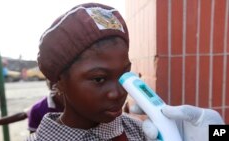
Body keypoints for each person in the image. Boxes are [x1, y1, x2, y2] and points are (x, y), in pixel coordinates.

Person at [26, 3, 224, 141]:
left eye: (123, 76)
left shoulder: (142, 133)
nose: (119, 93)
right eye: (99, 79)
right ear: (58, 81)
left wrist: (218, 134)